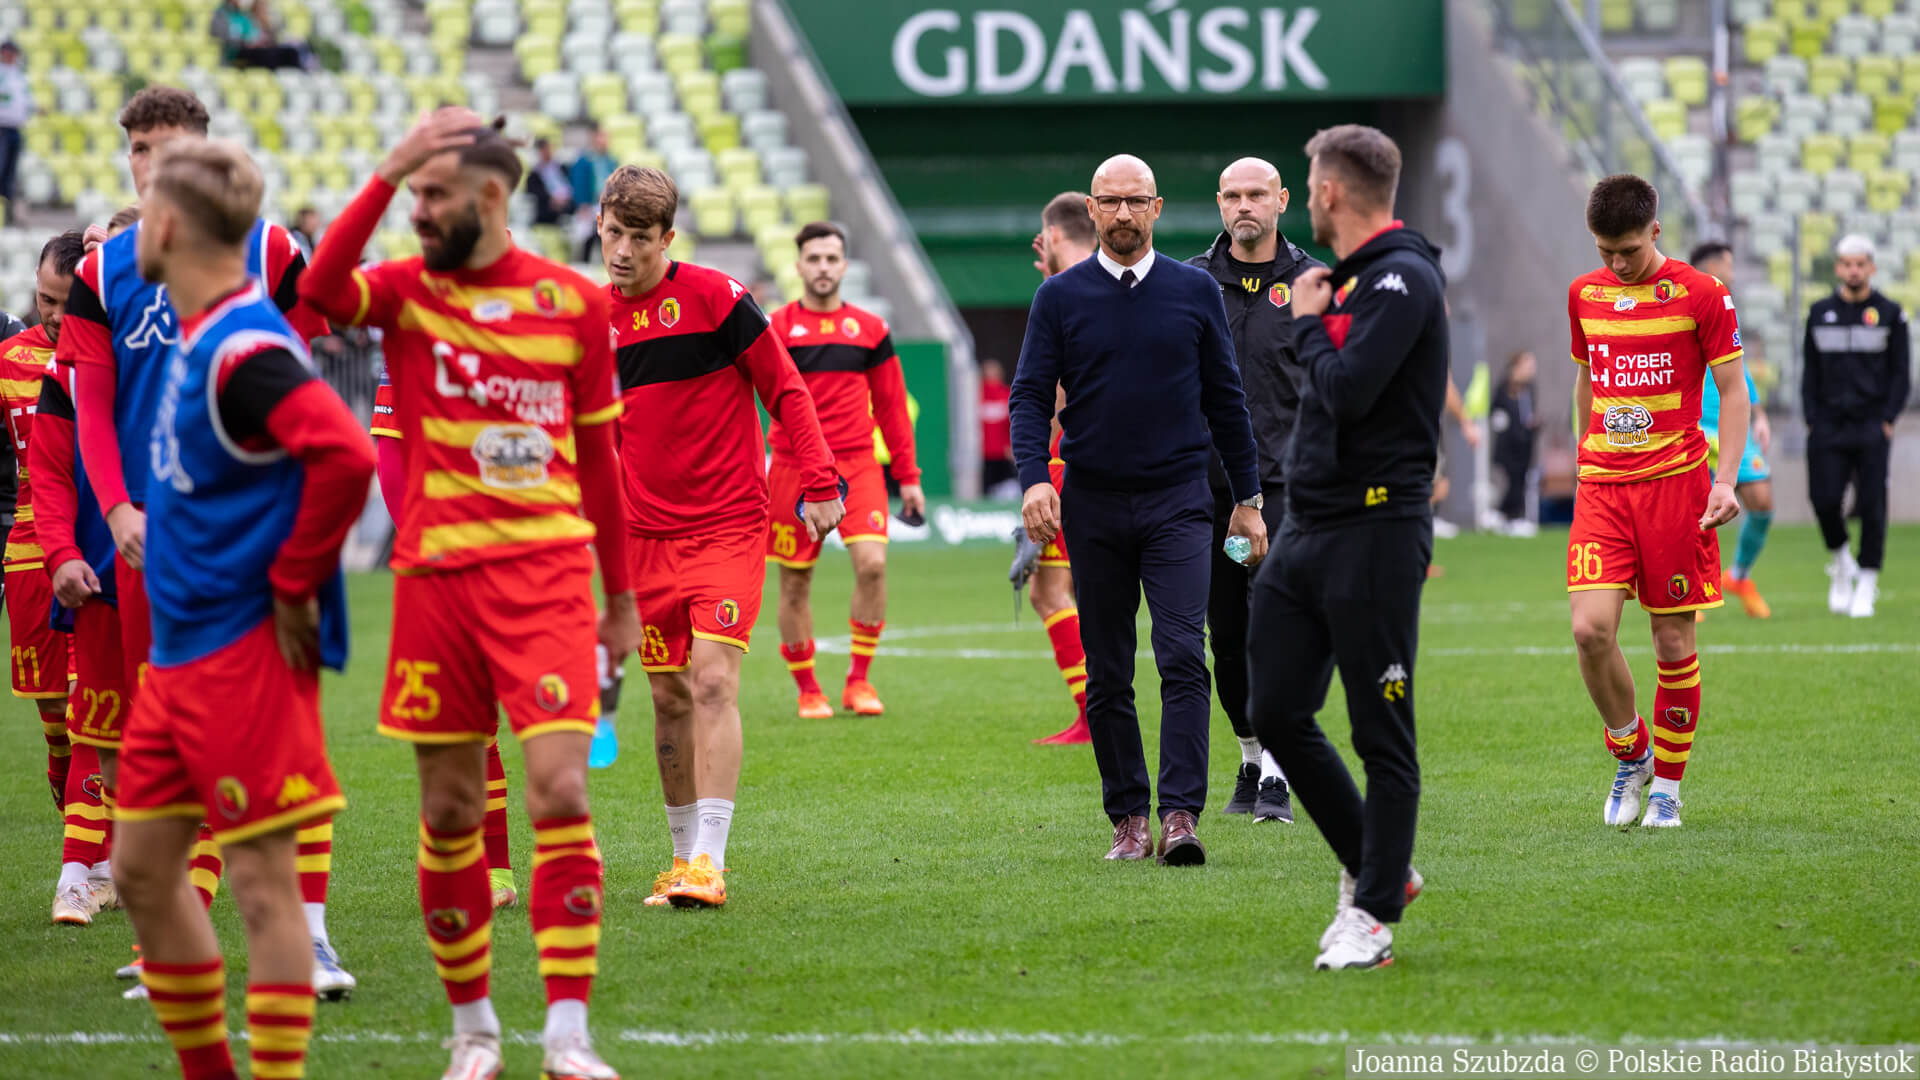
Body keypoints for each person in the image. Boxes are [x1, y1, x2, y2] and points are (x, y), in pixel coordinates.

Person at [301, 107, 640, 1080]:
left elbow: (599, 462)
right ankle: (475, 1031)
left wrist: (620, 599)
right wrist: (391, 166)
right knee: (450, 811)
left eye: (432, 195)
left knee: (561, 789)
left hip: (547, 582)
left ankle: (568, 1035)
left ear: (490, 197)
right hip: (436, 587)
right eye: (410, 195)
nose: (416, 211)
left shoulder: (572, 304)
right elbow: (317, 293)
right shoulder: (406, 292)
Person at [57, 84, 354, 1000]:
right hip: (153, 543)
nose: (150, 167)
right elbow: (92, 407)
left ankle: (309, 938)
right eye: (138, 149)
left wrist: (293, 561)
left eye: (169, 148)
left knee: (278, 753)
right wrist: (115, 511)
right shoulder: (106, 273)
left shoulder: (263, 265)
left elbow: (315, 408)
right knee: (162, 751)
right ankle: (178, 942)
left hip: (250, 545)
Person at [110, 137, 372, 1080]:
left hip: (242, 656)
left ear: (168, 226)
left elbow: (347, 454)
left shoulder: (245, 347)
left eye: (144, 212)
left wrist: (295, 582)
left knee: (263, 887)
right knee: (142, 871)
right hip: (178, 661)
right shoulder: (200, 330)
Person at [596, 164, 842, 910]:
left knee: (711, 682)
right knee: (667, 696)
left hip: (728, 527)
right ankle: (678, 859)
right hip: (643, 539)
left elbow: (785, 388)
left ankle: (709, 860)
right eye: (614, 233)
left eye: (640, 238)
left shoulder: (717, 298)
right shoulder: (589, 322)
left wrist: (821, 481)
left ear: (668, 238)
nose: (623, 251)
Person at [1012, 154, 1265, 867]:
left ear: (1157, 209)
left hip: (1180, 501)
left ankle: (1181, 817)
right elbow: (1029, 395)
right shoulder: (1058, 298)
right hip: (1092, 504)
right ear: (1091, 210)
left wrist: (1247, 500)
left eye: (1135, 201)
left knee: (1184, 655)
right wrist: (1033, 480)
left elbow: (1227, 401)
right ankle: (1128, 819)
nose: (1122, 213)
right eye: (1109, 201)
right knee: (1109, 671)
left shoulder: (1194, 290)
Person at [1245, 125, 1447, 971]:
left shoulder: (1401, 278)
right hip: (1308, 528)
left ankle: (1370, 917)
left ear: (1328, 192)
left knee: (1380, 732)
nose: (1307, 200)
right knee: (1275, 711)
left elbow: (1350, 390)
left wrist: (1307, 324)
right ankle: (1381, 863)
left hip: (1376, 530)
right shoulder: (1352, 280)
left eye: (1306, 186)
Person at [1565, 174, 1747, 834]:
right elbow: (1588, 378)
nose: (1617, 264)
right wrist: (1583, 453)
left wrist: (1725, 480)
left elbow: (1734, 391)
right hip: (1604, 486)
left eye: (1630, 250)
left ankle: (1667, 787)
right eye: (1605, 251)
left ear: (1656, 231)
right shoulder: (1583, 294)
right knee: (1590, 631)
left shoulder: (1703, 294)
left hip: (1677, 488)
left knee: (1672, 640)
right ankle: (1631, 753)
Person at [1186, 156, 1321, 824]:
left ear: (1282, 201)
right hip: (1209, 495)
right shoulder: (1189, 283)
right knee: (1228, 635)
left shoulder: (1314, 284)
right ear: (1219, 203)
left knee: (1277, 625)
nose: (1245, 205)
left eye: (1257, 195)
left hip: (1287, 490)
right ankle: (1249, 754)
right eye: (1234, 195)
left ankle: (1277, 771)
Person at [368, 365, 524, 912]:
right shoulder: (408, 346)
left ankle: (569, 849)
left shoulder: (529, 336)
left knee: (552, 724)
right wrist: (430, 551)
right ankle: (493, 870)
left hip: (525, 556)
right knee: (465, 725)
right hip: (443, 566)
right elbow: (392, 465)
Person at [767, 222, 923, 719]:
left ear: (845, 266)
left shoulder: (871, 329)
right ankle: (808, 689)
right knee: (795, 582)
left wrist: (909, 477)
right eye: (814, 258)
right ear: (799, 265)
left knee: (873, 566)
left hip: (857, 465)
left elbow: (892, 407)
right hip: (792, 466)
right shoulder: (775, 329)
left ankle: (859, 681)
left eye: (831, 258)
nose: (823, 267)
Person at [1, 231, 105, 925]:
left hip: (92, 551)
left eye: (68, 302)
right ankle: (91, 849)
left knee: (87, 708)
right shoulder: (8, 360)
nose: (55, 315)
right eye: (45, 300)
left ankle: (84, 870)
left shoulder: (106, 356)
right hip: (28, 557)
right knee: (56, 731)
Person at [1017, 191, 1097, 746]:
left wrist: (1040, 477)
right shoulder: (1114, 282)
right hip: (1127, 461)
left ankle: (1092, 714)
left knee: (1050, 591)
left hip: (1070, 462)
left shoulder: (1060, 293)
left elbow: (1051, 396)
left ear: (1051, 237)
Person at [1803, 234, 1909, 619]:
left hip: (1870, 426)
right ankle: (1841, 561)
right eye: (1847, 264)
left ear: (1871, 268)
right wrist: (1812, 418)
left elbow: (1901, 373)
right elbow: (1810, 372)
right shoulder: (1819, 312)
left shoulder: (1890, 313)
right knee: (1824, 500)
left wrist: (1887, 419)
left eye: (1860, 264)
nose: (1853, 270)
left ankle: (1866, 581)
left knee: (1872, 503)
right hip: (1827, 426)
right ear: (1838, 267)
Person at [1683, 243, 1775, 617]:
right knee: (1689, 509)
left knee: (1761, 500)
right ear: (1710, 266)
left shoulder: (1725, 307)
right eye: (1729, 265)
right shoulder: (1679, 304)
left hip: (1732, 422)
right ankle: (1687, 587)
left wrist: (1760, 414)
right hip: (1693, 423)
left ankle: (1738, 576)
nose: (1734, 273)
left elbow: (1737, 368)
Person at [1489, 350, 1541, 531]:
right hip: (1508, 445)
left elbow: (1528, 413)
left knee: (1521, 481)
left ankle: (1510, 516)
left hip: (1525, 444)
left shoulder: (1530, 388)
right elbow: (1496, 413)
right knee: (1512, 482)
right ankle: (1506, 515)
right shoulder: (1505, 387)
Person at [570, 127, 617, 261]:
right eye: (601, 138)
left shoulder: (610, 161)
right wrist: (582, 204)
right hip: (589, 204)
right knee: (586, 238)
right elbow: (578, 184)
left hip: (606, 204)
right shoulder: (584, 161)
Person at [0, 41, 30, 214]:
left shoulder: (18, 74)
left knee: (10, 171)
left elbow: (24, 99)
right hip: (1, 127)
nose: (12, 56)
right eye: (8, 52)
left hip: (15, 127)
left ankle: (6, 209)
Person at [979, 358, 1015, 496]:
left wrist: (1012, 446)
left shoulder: (1007, 394)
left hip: (1003, 454)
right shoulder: (976, 395)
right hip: (982, 454)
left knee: (1005, 490)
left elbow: (1013, 423)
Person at [525, 137, 572, 227]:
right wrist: (551, 199)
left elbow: (569, 185)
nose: (549, 151)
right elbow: (533, 191)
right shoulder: (535, 173)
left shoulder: (561, 167)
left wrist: (564, 199)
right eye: (546, 149)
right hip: (546, 208)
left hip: (566, 204)